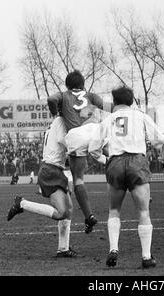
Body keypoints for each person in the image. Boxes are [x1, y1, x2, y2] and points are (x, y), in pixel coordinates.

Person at [89, 86, 164, 269]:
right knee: (143, 212)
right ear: (131, 101)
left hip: (115, 162)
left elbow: (93, 148)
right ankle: (146, 256)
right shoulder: (141, 116)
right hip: (137, 162)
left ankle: (113, 248)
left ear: (115, 102)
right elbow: (162, 140)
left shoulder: (108, 119)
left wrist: (107, 160)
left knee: (114, 210)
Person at [7, 112, 78, 258]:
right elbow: (62, 141)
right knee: (61, 212)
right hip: (50, 171)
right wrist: (79, 148)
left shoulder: (55, 124)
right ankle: (22, 203)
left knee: (69, 209)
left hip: (56, 170)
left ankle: (63, 248)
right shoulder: (60, 121)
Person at [47, 69, 108, 234]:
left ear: (68, 85)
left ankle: (89, 216)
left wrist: (55, 113)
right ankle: (132, 183)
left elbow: (51, 99)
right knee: (116, 157)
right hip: (95, 130)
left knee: (79, 180)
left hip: (77, 136)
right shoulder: (92, 96)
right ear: (83, 85)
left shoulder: (64, 95)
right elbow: (104, 105)